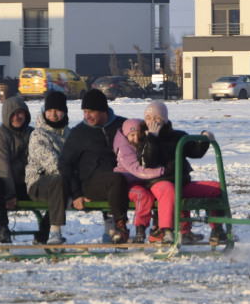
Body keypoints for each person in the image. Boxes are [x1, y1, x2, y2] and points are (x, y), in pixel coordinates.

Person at [137, 100, 226, 245]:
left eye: (156, 119)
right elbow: (148, 162)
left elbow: (195, 152)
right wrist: (152, 138)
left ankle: (218, 229)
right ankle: (167, 231)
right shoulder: (144, 140)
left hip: (181, 183)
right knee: (169, 189)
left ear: (164, 120)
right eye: (148, 119)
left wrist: (204, 139)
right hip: (158, 184)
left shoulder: (178, 137)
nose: (152, 122)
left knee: (216, 188)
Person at [57, 89, 130, 244]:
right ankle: (120, 227)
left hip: (125, 178)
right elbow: (64, 163)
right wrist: (76, 193)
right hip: (91, 183)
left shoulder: (122, 125)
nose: (87, 116)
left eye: (91, 111)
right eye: (84, 112)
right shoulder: (79, 133)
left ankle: (162, 229)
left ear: (103, 110)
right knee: (115, 179)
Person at [0, 95, 34, 244]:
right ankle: (3, 227)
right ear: (7, 116)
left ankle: (44, 232)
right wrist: (10, 195)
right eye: (13, 114)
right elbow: (2, 167)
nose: (17, 117)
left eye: (20, 113)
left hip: (22, 183)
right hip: (1, 185)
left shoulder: (32, 133)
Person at [24, 91, 70, 245]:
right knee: (58, 179)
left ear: (64, 112)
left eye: (57, 111)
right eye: (49, 111)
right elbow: (53, 165)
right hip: (38, 184)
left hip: (64, 183)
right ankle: (55, 232)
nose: (53, 114)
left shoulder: (69, 134)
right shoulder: (38, 135)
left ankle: (110, 230)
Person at [113, 117, 164, 244]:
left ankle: (159, 228)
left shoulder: (143, 145)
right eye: (132, 135)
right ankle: (140, 229)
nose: (135, 138)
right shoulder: (124, 149)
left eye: (138, 134)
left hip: (142, 181)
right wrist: (163, 171)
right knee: (143, 196)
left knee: (161, 192)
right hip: (128, 183)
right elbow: (137, 170)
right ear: (126, 136)